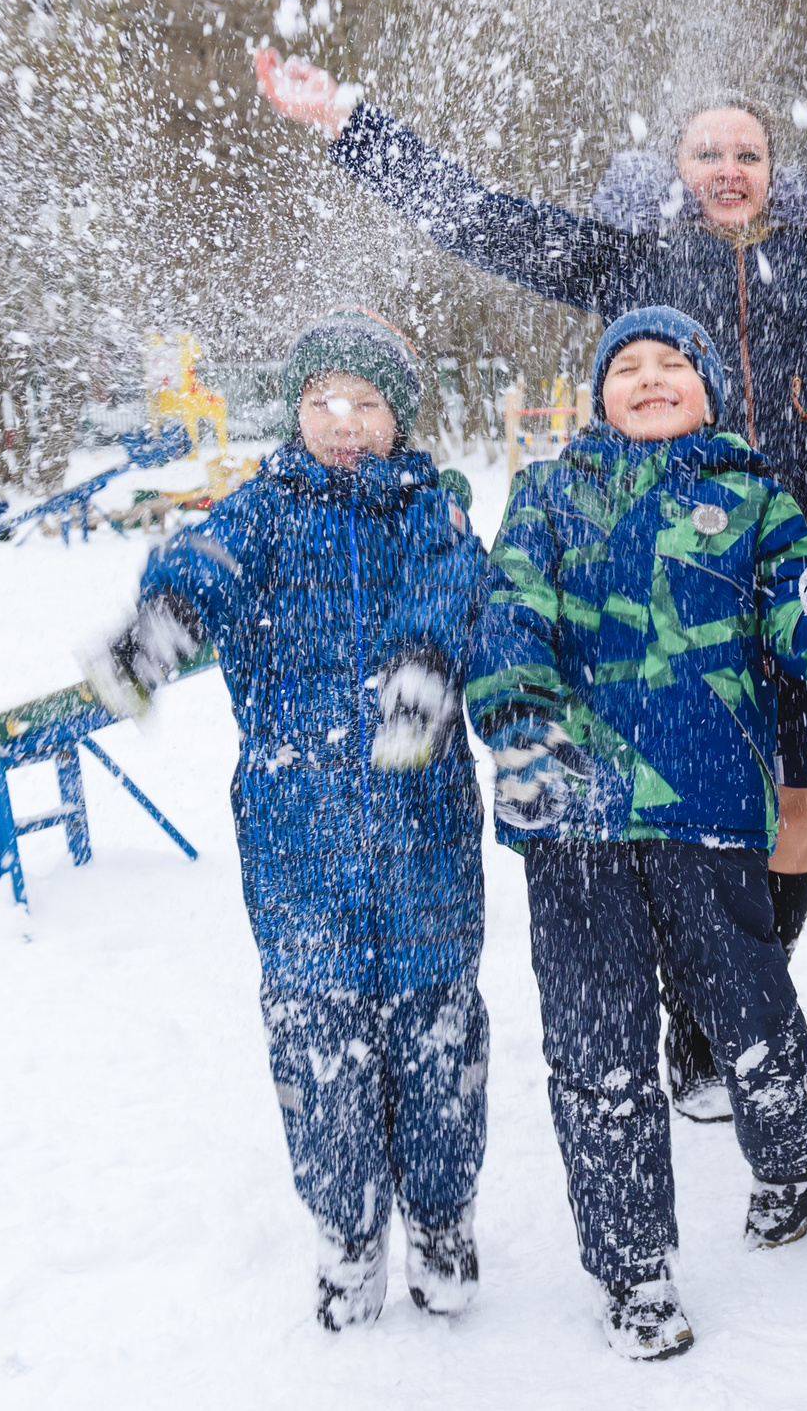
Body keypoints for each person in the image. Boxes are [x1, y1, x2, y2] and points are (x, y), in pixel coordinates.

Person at [257, 52, 807, 1112]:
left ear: (771, 168)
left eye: (746, 152)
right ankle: (698, 1012)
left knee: (794, 817)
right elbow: (481, 218)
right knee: (674, 820)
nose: (727, 167)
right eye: (707, 151)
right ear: (679, 164)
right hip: (660, 597)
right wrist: (350, 122)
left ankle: (736, 989)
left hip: (791, 570)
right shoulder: (629, 261)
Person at [467, 306, 807, 1359]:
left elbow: (803, 620)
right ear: (596, 393)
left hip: (707, 807)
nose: (651, 378)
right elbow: (508, 614)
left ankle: (794, 1143)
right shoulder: (551, 494)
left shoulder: (750, 497)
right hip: (571, 816)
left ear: (710, 389)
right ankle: (633, 1268)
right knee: (595, 1046)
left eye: (673, 365)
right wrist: (520, 723)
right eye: (629, 366)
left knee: (744, 1007)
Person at [85, 312, 489, 1331]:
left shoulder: (428, 512)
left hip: (422, 823)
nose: (341, 422)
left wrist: (420, 663)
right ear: (294, 411)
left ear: (398, 418)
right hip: (295, 822)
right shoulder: (264, 509)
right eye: (320, 402)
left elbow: (454, 592)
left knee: (435, 1037)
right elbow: (205, 563)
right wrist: (164, 622)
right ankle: (347, 1235)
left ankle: (440, 1220)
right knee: (321, 1042)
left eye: (363, 403)